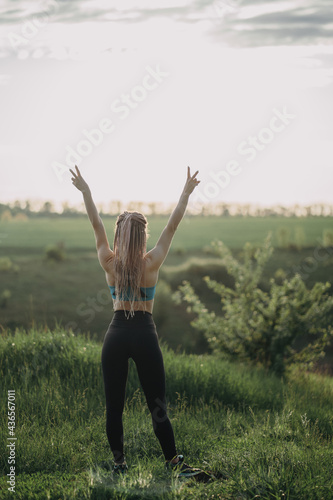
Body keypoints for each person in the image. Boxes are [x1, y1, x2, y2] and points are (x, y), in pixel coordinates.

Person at [69, 165, 201, 477]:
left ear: (118, 234)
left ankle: (119, 465)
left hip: (115, 334)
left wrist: (86, 191)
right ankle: (172, 462)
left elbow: (94, 223)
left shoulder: (108, 261)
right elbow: (171, 228)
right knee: (157, 406)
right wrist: (185, 192)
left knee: (114, 407)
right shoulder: (152, 262)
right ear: (143, 234)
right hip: (144, 333)